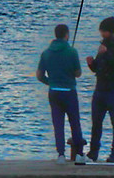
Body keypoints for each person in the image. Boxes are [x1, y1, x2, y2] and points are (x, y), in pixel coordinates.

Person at [35, 22, 84, 162]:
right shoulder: (72, 52)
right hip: (69, 91)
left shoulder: (46, 53)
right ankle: (79, 154)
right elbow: (78, 73)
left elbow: (39, 75)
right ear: (67, 35)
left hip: (54, 92)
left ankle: (61, 154)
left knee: (58, 124)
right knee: (75, 122)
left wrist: (50, 82)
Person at [86, 15, 114, 163]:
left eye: (103, 31)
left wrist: (107, 53)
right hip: (100, 88)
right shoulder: (103, 45)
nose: (101, 34)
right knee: (96, 122)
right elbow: (98, 66)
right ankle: (93, 152)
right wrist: (92, 64)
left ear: (110, 31)